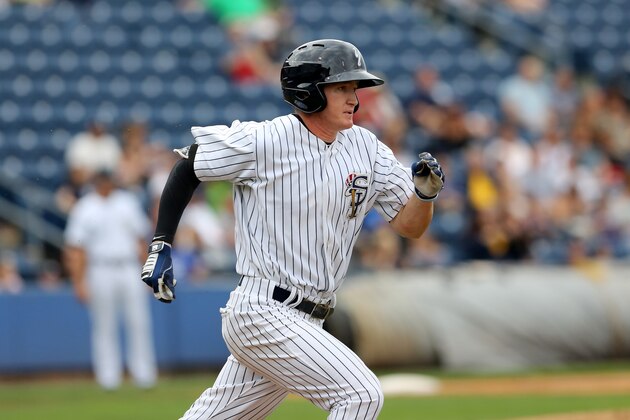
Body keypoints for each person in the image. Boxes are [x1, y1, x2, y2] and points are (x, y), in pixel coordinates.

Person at [141, 39, 444, 419]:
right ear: (310, 93)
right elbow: (189, 165)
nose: (355, 98)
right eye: (342, 88)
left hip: (309, 318)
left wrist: (424, 195)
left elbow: (409, 225)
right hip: (262, 309)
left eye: (355, 88)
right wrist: (161, 244)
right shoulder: (265, 140)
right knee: (361, 395)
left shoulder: (366, 147)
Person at [64, 170, 157, 391]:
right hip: (100, 267)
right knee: (103, 324)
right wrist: (78, 282)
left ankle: (144, 374)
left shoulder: (127, 202)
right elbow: (76, 248)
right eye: (103, 181)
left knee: (138, 321)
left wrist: (147, 273)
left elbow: (140, 240)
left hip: (128, 266)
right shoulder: (85, 207)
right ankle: (108, 377)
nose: (106, 185)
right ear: (96, 183)